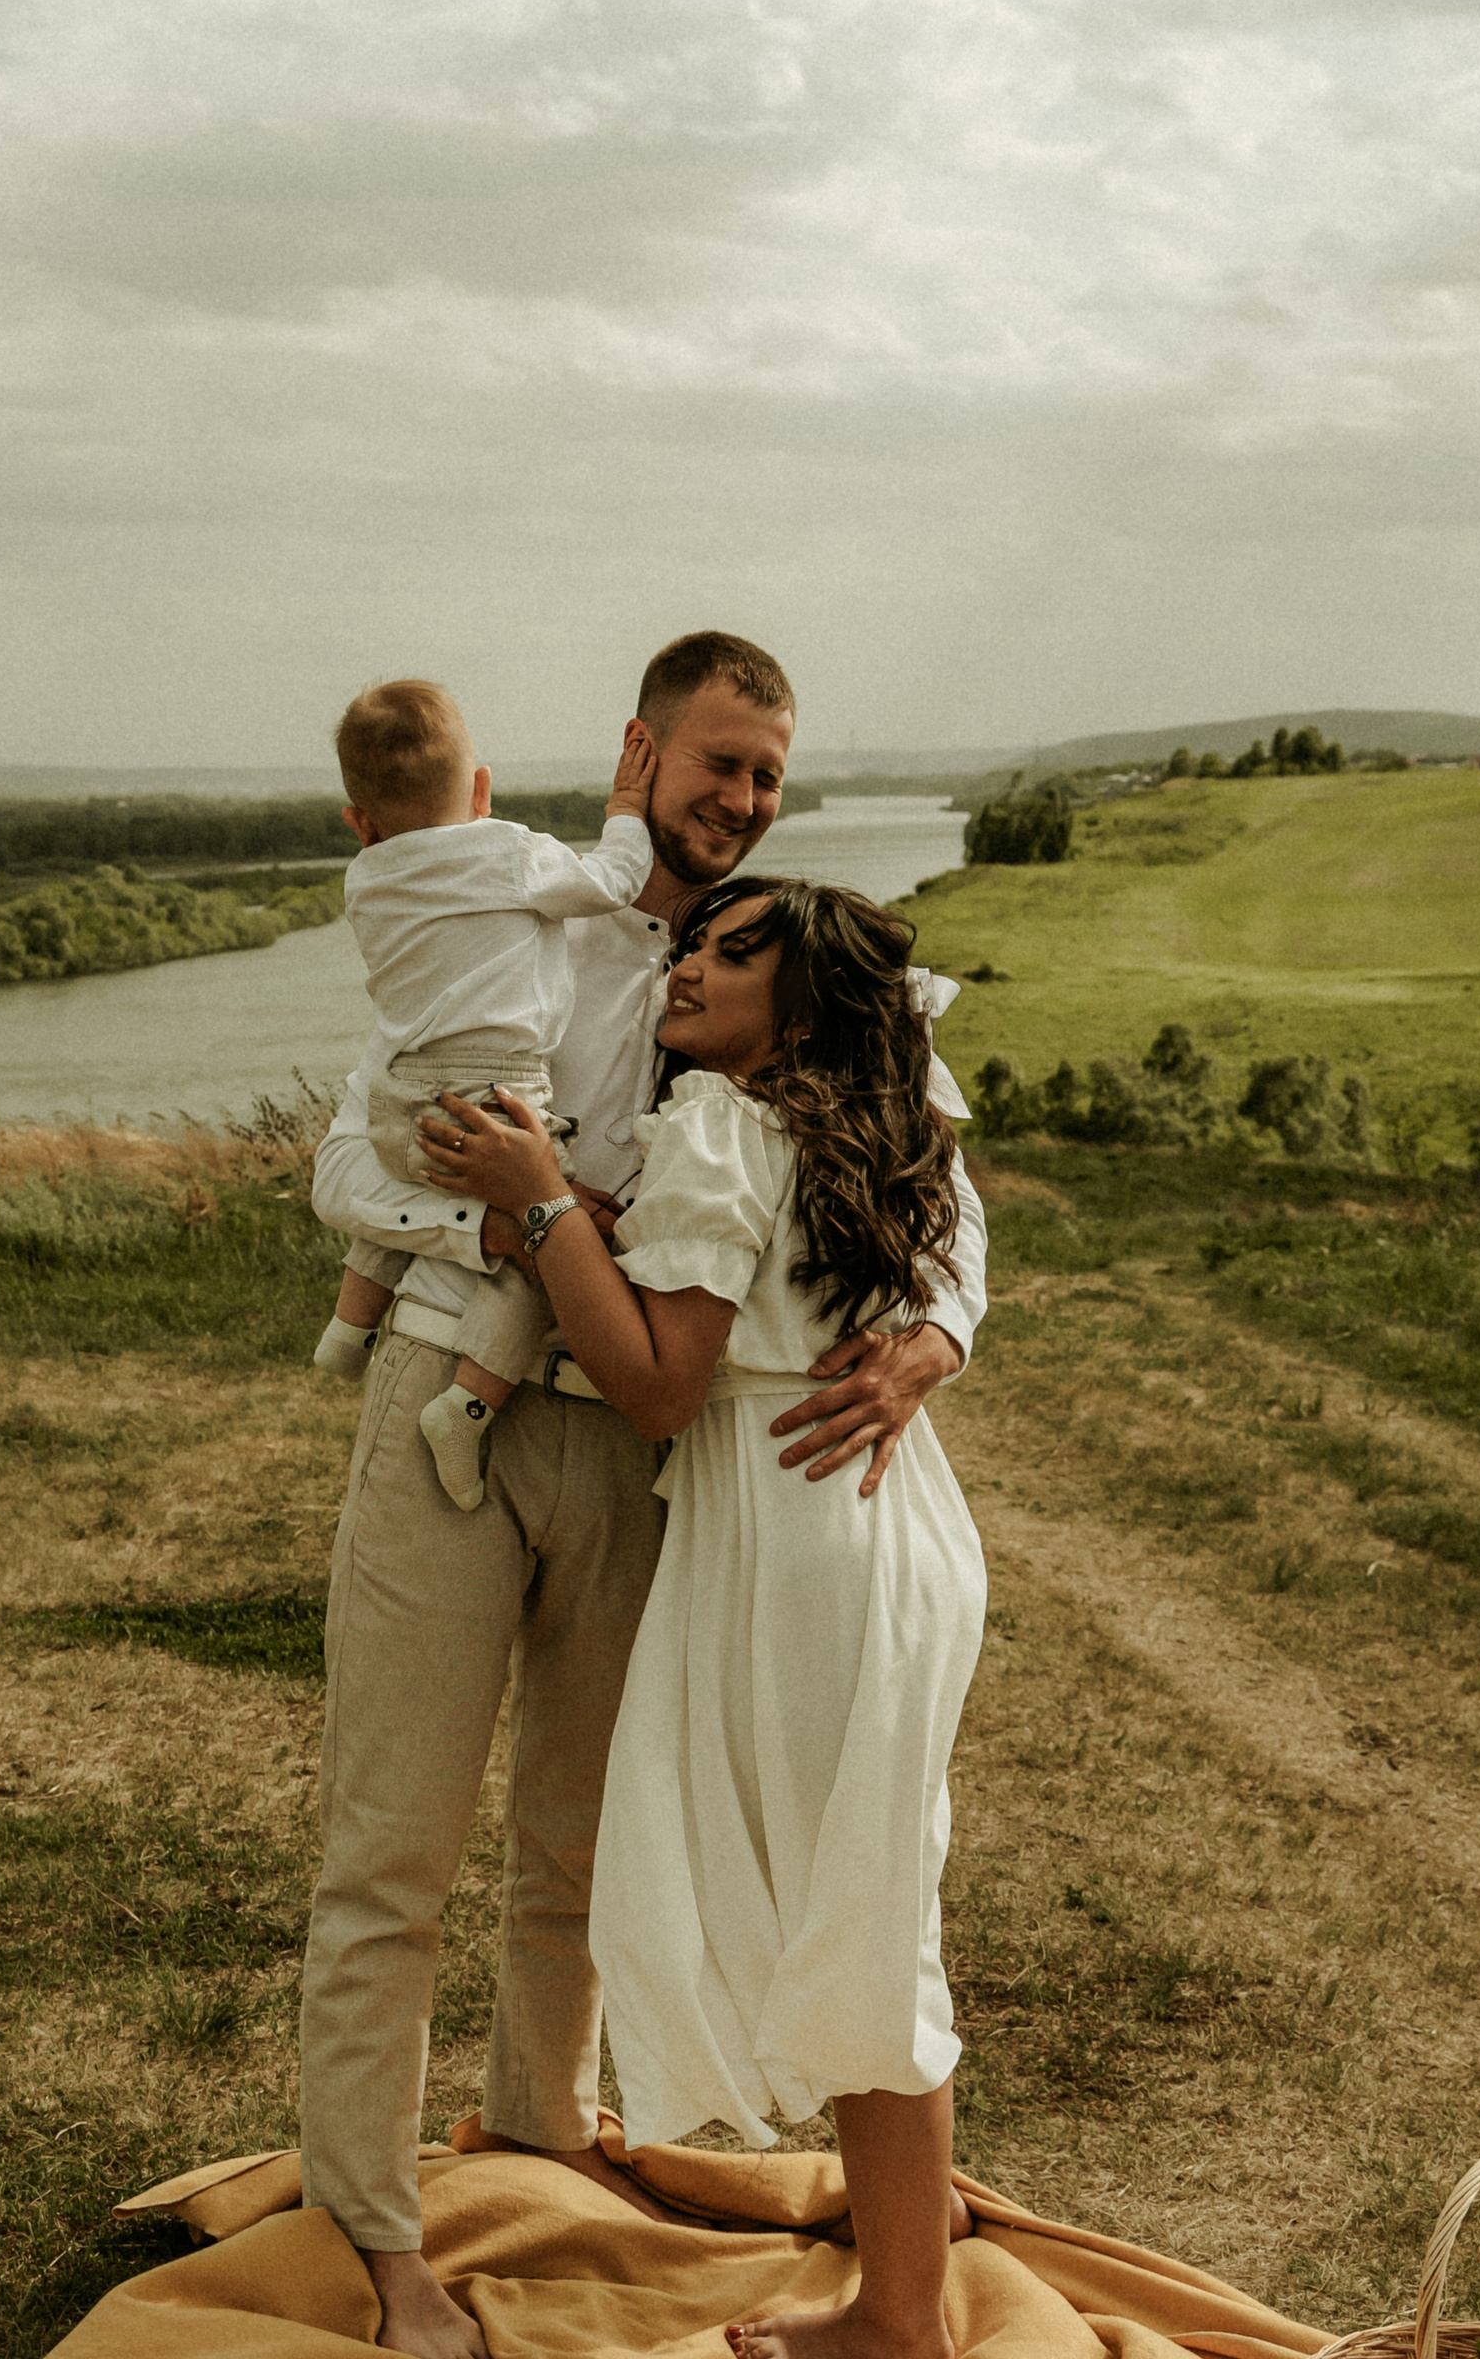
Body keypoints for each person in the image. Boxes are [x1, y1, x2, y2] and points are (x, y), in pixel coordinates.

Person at [299, 631, 989, 2359]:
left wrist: (935, 1342)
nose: (741, 801)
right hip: (457, 1401)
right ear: (643, 752)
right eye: (717, 765)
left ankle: (544, 2150)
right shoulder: (530, 916)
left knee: (583, 1844)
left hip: (649, 1452)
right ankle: (384, 2244)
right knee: (393, 1853)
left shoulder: (806, 964)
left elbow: (946, 1194)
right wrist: (527, 1226)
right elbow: (341, 1161)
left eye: (766, 774)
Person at [426, 876, 985, 2359]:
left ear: (801, 1001)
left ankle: (902, 2330)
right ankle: (899, 2310)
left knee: (871, 1932)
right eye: (693, 938)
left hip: (805, 1542)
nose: (690, 966)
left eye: (738, 954)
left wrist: (539, 1203)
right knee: (877, 1912)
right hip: (894, 1532)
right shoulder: (861, 1122)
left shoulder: (733, 1126)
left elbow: (662, 1385)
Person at [310, 678, 659, 1511]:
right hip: (498, 1103)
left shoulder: (365, 880)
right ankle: (466, 1407)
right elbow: (614, 879)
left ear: (359, 822)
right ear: (481, 789)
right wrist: (624, 807)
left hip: (404, 1096)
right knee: (547, 1248)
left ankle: (349, 1326)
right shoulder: (506, 851)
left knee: (416, 1171)